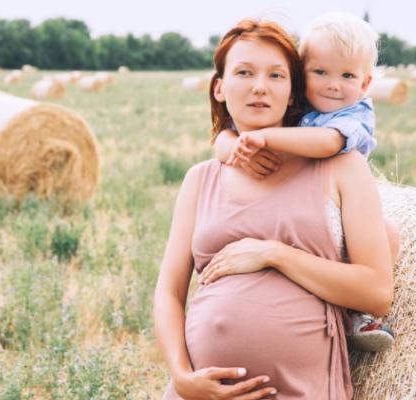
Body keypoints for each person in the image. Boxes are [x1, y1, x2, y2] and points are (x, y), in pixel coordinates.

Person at [153, 18, 393, 400]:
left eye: (276, 75)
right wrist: (182, 377)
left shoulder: (342, 167)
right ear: (219, 87)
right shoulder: (200, 179)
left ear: (293, 92)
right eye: (244, 72)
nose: (260, 87)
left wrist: (274, 254)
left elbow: (377, 293)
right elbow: (168, 292)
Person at [212, 12, 399, 352]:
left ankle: (357, 314)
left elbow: (327, 143)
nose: (333, 84)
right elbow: (227, 134)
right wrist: (230, 148)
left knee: (388, 237)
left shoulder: (352, 114)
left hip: (342, 215)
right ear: (302, 77)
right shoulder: (300, 107)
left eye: (347, 75)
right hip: (307, 211)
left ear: (365, 83)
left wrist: (266, 139)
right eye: (320, 72)